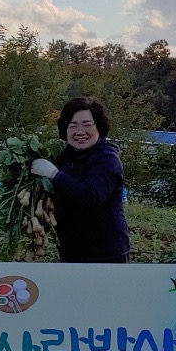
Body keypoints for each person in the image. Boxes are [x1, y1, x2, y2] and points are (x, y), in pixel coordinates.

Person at [28, 95, 130, 263]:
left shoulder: (107, 160)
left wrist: (55, 174)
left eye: (87, 125)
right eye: (73, 125)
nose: (79, 132)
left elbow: (91, 197)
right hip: (72, 250)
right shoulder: (67, 155)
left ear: (99, 127)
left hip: (105, 254)